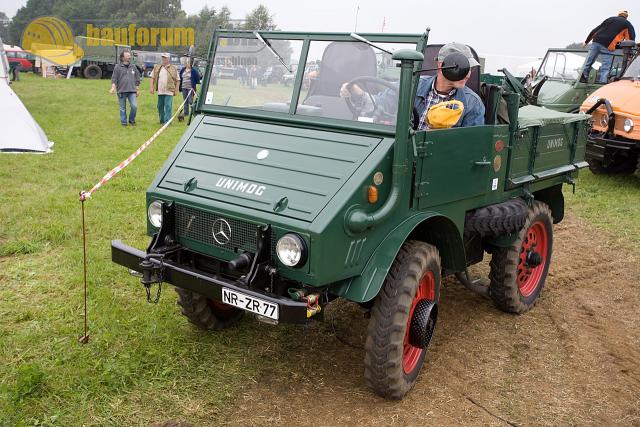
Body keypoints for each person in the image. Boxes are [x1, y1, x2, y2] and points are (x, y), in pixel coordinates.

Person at [340, 42, 485, 129]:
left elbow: (469, 148)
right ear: (441, 65)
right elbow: (383, 103)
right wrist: (358, 93)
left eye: (470, 69)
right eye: (463, 68)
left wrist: (440, 137)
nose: (468, 75)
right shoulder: (413, 85)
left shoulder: (472, 103)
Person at [580, 10, 635, 84]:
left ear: (618, 14)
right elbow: (630, 40)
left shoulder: (609, 19)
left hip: (596, 41)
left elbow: (595, 30)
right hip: (609, 45)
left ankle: (583, 77)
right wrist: (629, 52)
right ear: (626, 17)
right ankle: (602, 83)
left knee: (588, 61)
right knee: (606, 67)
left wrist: (586, 42)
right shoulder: (627, 24)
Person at [110, 51, 140, 126]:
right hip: (121, 91)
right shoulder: (117, 67)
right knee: (122, 108)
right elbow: (114, 79)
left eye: (130, 55)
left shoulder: (133, 66)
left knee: (134, 106)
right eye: (128, 56)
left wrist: (137, 89)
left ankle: (131, 120)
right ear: (123, 58)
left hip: (132, 91)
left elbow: (137, 78)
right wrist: (113, 88)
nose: (129, 57)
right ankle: (124, 122)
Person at [150, 53, 179, 124]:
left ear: (169, 59)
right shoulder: (157, 67)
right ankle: (162, 120)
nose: (164, 59)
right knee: (160, 106)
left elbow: (178, 80)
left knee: (168, 106)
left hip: (169, 90)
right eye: (163, 58)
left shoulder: (173, 68)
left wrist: (176, 90)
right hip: (160, 90)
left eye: (165, 58)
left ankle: (167, 121)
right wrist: (151, 87)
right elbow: (152, 78)